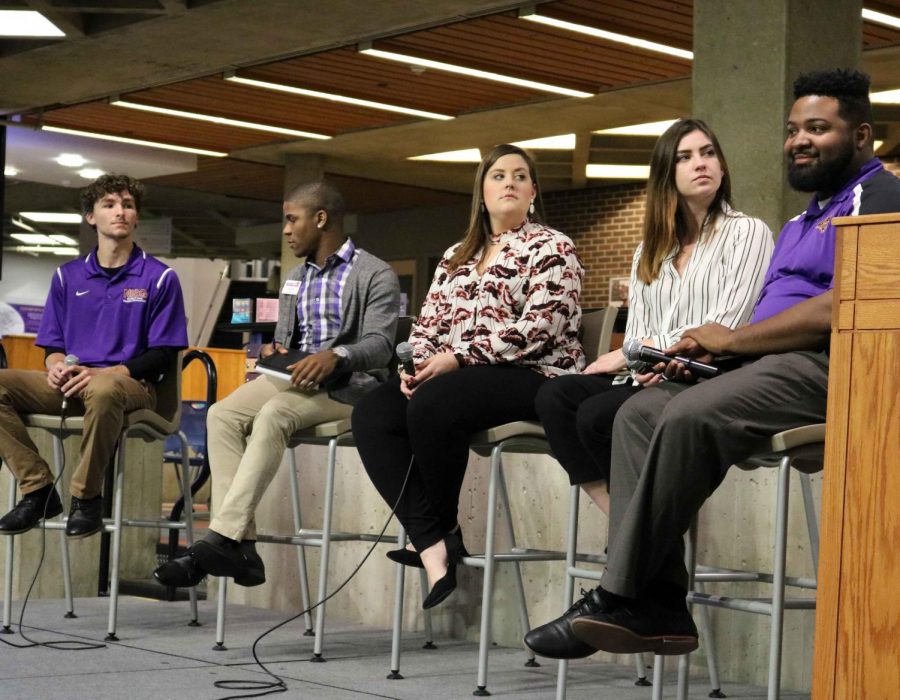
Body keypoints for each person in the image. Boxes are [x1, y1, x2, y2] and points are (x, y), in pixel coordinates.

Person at [526, 69, 900, 659]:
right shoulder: (804, 218)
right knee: (638, 413)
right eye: (793, 129)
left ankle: (618, 593)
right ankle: (663, 605)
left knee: (689, 411)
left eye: (818, 128)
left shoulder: (881, 197)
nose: (799, 140)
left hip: (829, 369)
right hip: (767, 367)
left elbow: (840, 305)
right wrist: (716, 347)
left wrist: (732, 342)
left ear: (861, 137)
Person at [351, 144, 584, 610]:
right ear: (482, 192)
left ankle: (440, 527)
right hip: (454, 379)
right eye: (499, 175)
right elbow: (427, 325)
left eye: (521, 176)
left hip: (533, 374)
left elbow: (540, 327)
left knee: (436, 403)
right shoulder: (456, 255)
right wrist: (413, 365)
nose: (510, 183)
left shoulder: (552, 247)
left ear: (533, 192)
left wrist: (457, 358)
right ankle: (436, 540)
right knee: (373, 412)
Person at [154, 180, 400, 588]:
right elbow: (289, 340)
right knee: (223, 414)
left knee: (273, 414)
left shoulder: (376, 273)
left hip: (349, 387)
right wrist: (277, 353)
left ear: (320, 219)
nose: (285, 230)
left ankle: (217, 541)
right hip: (295, 377)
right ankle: (241, 547)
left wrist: (336, 355)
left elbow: (379, 345)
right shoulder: (294, 277)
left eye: (291, 219)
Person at [533, 118, 773, 526]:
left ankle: (639, 538)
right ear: (667, 174)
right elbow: (640, 329)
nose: (701, 163)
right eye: (685, 157)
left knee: (596, 415)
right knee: (556, 397)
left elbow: (724, 327)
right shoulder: (650, 250)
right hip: (654, 372)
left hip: (709, 374)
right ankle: (628, 525)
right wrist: (644, 359)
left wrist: (638, 353)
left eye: (708, 153)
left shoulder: (747, 232)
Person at [0, 173, 188, 539]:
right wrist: (55, 367)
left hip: (132, 385)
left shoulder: (160, 277)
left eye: (128, 205)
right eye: (110, 205)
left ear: (135, 217)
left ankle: (86, 498)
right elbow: (53, 346)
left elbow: (164, 353)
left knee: (104, 389)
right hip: (73, 383)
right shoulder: (67, 276)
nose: (120, 211)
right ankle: (38, 489)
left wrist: (110, 371)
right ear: (91, 217)